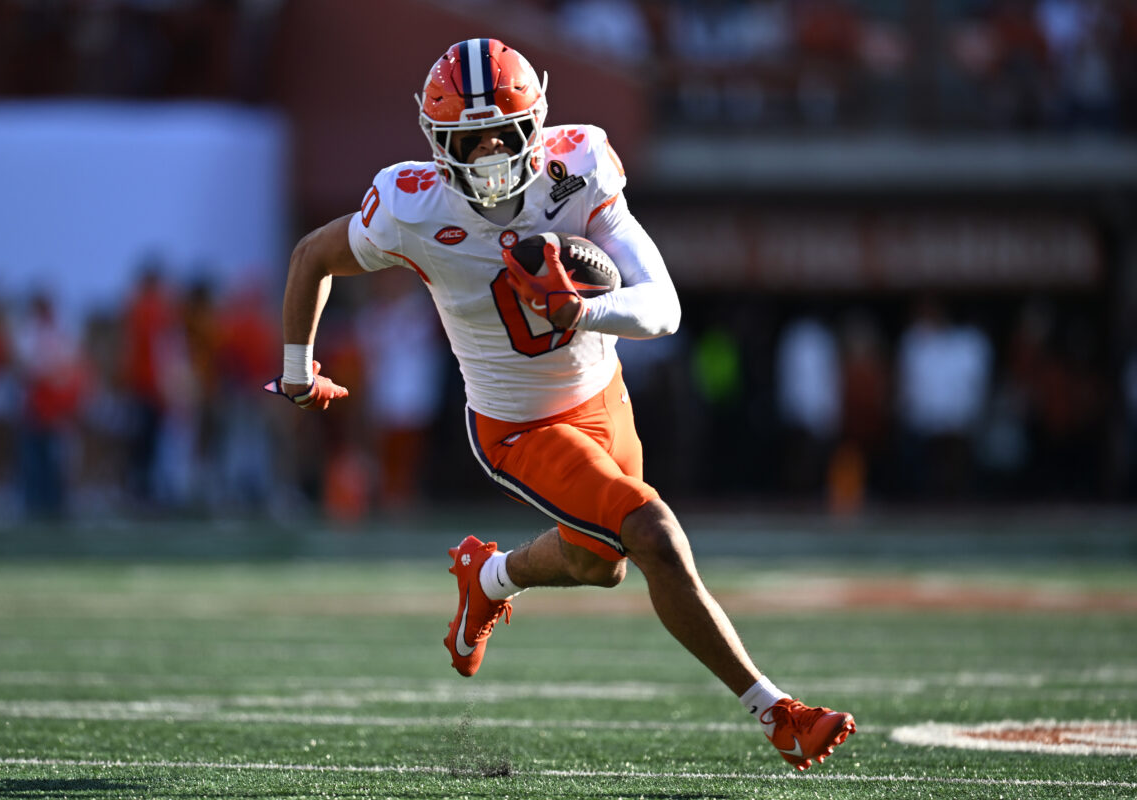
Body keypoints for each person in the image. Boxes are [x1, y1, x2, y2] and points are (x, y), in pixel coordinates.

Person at [266, 38, 855, 771]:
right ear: (433, 140)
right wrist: (298, 369)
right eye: (464, 141)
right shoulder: (411, 206)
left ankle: (487, 579)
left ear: (535, 123)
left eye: (502, 135)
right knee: (655, 536)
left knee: (598, 564)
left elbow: (663, 308)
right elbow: (310, 257)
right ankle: (777, 712)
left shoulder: (578, 165)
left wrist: (582, 312)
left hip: (602, 394)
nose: (486, 156)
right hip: (518, 426)